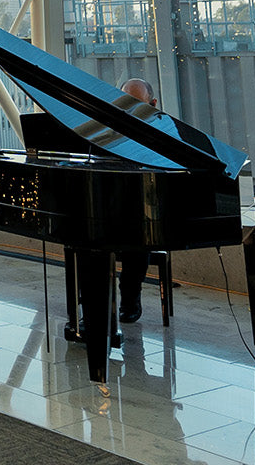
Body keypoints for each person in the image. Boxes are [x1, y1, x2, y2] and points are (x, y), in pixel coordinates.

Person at [116, 76, 157, 323]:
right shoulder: (106, 131)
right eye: (124, 104)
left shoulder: (163, 134)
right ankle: (87, 302)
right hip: (111, 204)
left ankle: (130, 297)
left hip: (142, 210)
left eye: (135, 104)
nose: (128, 111)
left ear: (151, 104)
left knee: (139, 239)